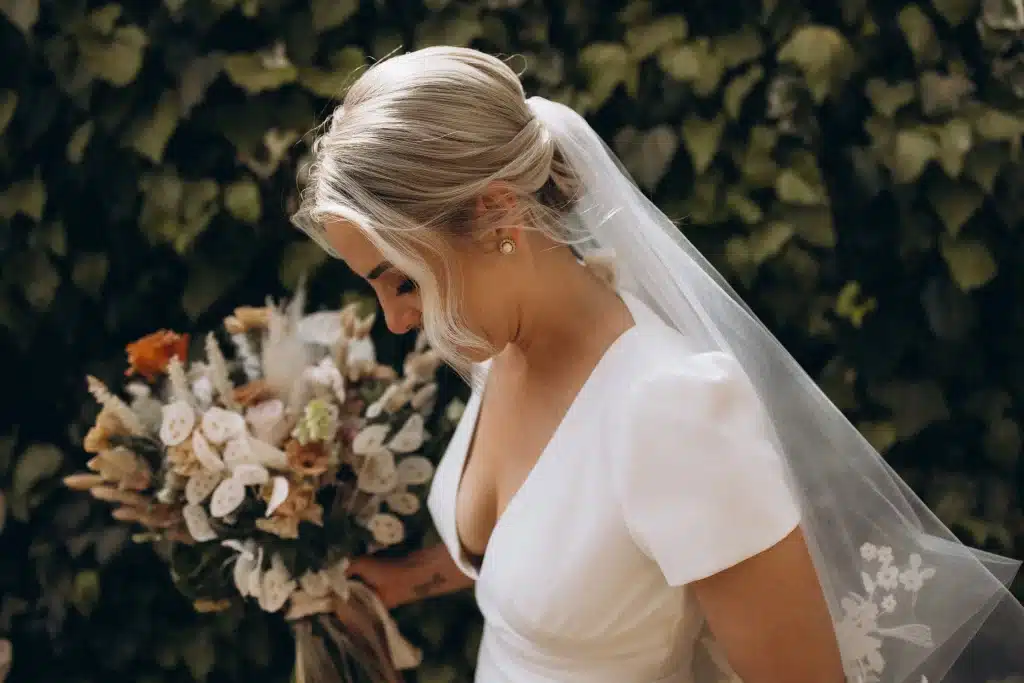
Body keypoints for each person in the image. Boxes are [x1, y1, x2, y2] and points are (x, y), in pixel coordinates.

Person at [292, 47, 1024, 683]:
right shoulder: (500, 347)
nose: (396, 321)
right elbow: (550, 550)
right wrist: (398, 583)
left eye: (402, 280)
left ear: (494, 213)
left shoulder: (672, 411)